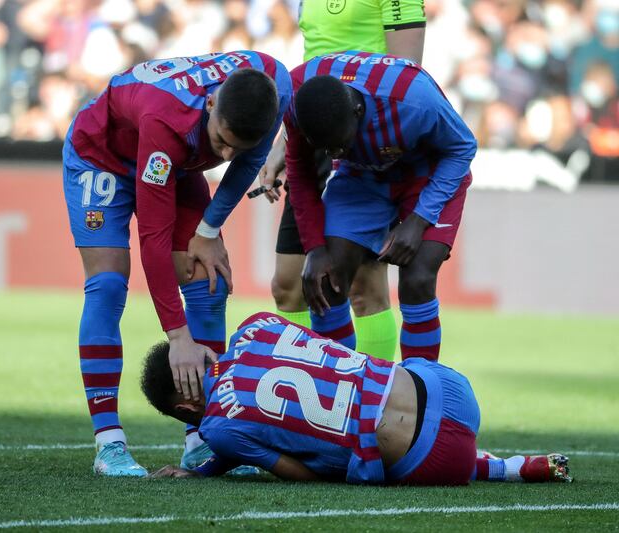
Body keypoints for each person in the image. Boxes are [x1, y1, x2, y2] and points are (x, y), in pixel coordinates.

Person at [62, 51, 292, 476]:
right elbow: (153, 237)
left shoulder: (277, 86)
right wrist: (178, 337)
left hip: (180, 164)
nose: (223, 153)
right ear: (211, 103)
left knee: (209, 283)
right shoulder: (167, 119)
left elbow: (250, 163)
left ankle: (203, 439)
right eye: (221, 139)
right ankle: (108, 443)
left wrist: (208, 231)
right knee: (109, 284)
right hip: (104, 156)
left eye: (233, 147)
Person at [141, 312, 572, 485]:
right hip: (451, 388)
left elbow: (301, 474)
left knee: (339, 454)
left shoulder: (217, 430)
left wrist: (205, 470)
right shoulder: (256, 324)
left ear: (184, 410)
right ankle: (511, 466)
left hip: (438, 459)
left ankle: (498, 468)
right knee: (365, 384)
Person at [255, 0, 427, 362]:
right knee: (288, 285)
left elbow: (407, 74)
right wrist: (285, 143)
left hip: (362, 134)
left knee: (363, 289)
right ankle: (310, 394)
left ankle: (369, 397)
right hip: (314, 132)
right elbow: (312, 64)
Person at [284, 51, 476, 361]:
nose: (333, 151)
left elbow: (463, 147)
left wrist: (418, 220)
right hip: (361, 176)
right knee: (325, 279)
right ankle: (336, 392)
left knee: (417, 279)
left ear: (359, 110)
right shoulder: (295, 95)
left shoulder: (414, 98)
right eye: (325, 148)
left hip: (425, 173)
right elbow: (299, 168)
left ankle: (418, 391)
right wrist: (314, 247)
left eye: (339, 143)